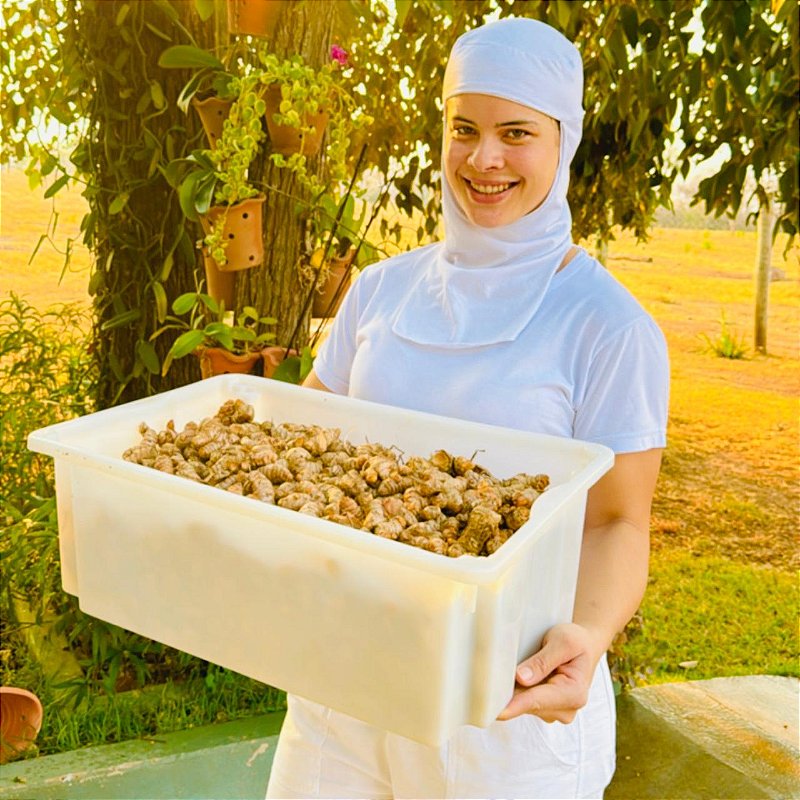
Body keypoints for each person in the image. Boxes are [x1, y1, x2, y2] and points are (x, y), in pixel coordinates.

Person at [266, 15, 669, 800]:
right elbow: (306, 449)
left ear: (564, 142)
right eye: (465, 129)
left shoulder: (607, 326)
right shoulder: (381, 290)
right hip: (344, 688)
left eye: (516, 132)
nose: (484, 159)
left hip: (507, 714)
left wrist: (585, 637)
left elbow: (618, 521)